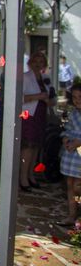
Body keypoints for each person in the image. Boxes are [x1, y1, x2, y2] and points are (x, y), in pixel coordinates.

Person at [20, 51, 56, 192]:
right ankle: (23, 178)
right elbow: (20, 98)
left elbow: (52, 99)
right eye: (35, 61)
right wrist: (38, 96)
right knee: (28, 147)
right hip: (29, 115)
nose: (38, 64)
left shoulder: (45, 78)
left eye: (41, 62)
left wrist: (48, 99)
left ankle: (31, 175)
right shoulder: (25, 77)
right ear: (30, 62)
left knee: (36, 146)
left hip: (41, 114)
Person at [59, 85, 81, 226]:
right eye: (74, 97)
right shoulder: (74, 113)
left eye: (80, 97)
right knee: (70, 184)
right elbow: (67, 129)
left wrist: (78, 142)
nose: (77, 100)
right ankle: (72, 215)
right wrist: (65, 139)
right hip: (71, 152)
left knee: (79, 185)